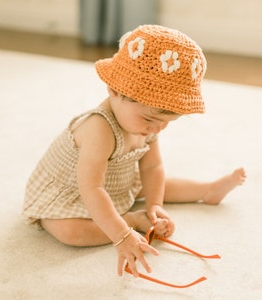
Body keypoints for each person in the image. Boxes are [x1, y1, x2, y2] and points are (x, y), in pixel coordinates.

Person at [22, 25, 246, 277]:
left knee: (151, 183)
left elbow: (152, 167)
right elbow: (91, 188)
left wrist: (155, 205)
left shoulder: (147, 126)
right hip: (73, 190)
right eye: (150, 119)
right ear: (115, 90)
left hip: (117, 180)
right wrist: (121, 233)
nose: (157, 129)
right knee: (71, 233)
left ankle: (206, 190)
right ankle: (131, 219)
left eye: (167, 123)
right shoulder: (99, 128)